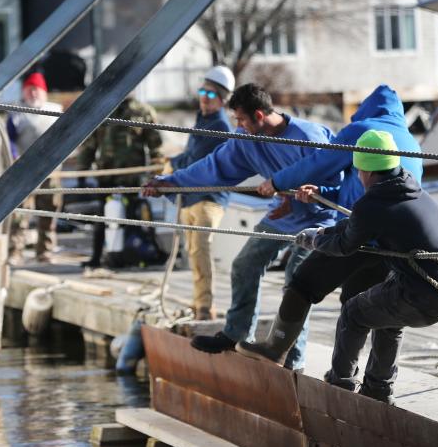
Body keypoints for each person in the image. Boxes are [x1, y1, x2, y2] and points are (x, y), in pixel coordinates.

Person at [239, 130, 438, 404]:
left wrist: (312, 241)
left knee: (353, 312)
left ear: (365, 171)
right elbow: (354, 226)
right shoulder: (406, 186)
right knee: (387, 320)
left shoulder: (375, 202)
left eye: (358, 171)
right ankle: (378, 390)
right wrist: (324, 231)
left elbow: (344, 246)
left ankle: (340, 386)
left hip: (425, 293)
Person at [143, 83, 339, 370]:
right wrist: (169, 183)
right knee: (244, 265)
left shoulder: (309, 137)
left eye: (241, 119)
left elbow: (338, 184)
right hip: (281, 217)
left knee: (297, 287)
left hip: (319, 221)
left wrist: (301, 202)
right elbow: (213, 167)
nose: (238, 125)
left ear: (259, 115)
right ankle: (236, 334)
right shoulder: (246, 139)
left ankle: (292, 361)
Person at [237, 85, 424, 368]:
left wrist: (277, 182)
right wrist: (323, 193)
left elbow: (320, 161)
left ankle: (276, 349)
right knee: (365, 309)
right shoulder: (410, 141)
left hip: (359, 231)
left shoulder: (364, 130)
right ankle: (375, 386)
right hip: (393, 241)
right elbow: (363, 189)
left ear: (366, 109)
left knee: (302, 284)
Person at [166, 66, 236, 320]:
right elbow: (190, 155)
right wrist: (171, 161)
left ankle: (205, 307)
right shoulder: (202, 119)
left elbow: (198, 163)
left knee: (200, 251)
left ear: (222, 99)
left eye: (212, 93)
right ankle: (199, 303)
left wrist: (171, 170)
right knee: (193, 252)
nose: (205, 97)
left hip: (209, 200)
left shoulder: (219, 126)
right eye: (203, 90)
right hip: (192, 196)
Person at [78, 94, 163, 268]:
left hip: (132, 175)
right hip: (107, 174)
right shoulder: (102, 111)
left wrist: (157, 172)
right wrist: (82, 172)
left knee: (134, 215)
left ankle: (131, 253)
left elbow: (155, 145)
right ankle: (96, 256)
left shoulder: (143, 112)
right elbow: (90, 144)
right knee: (102, 216)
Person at [7, 71, 63, 263]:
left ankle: (45, 250)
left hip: (51, 169)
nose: (33, 94)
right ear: (24, 92)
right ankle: (15, 251)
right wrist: (14, 157)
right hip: (23, 168)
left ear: (44, 92)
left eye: (36, 90)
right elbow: (10, 140)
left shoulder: (55, 110)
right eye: (29, 90)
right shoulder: (17, 112)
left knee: (49, 210)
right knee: (20, 213)